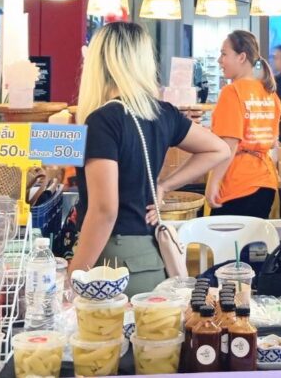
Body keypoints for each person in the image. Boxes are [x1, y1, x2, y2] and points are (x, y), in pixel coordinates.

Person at [69, 22, 231, 294]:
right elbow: (219, 149)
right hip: (151, 260)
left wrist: (75, 274)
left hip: (111, 262)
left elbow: (104, 210)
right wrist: (164, 185)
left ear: (100, 63)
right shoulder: (162, 112)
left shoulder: (103, 120)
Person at [207, 30, 281, 218]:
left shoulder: (232, 92)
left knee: (223, 238)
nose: (219, 60)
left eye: (224, 54)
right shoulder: (270, 94)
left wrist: (214, 182)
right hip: (266, 182)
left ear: (241, 57)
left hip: (238, 184)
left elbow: (229, 145)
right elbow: (273, 142)